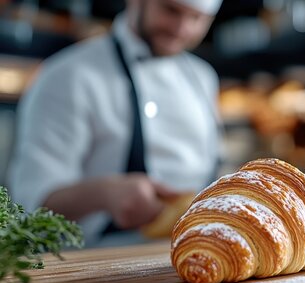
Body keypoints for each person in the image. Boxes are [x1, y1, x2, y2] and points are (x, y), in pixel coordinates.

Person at [8, 0, 224, 244]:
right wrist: (105, 194)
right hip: (101, 259)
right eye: (171, 10)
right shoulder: (67, 76)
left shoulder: (203, 77)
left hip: (199, 247)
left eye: (197, 19)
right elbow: (30, 204)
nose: (183, 29)